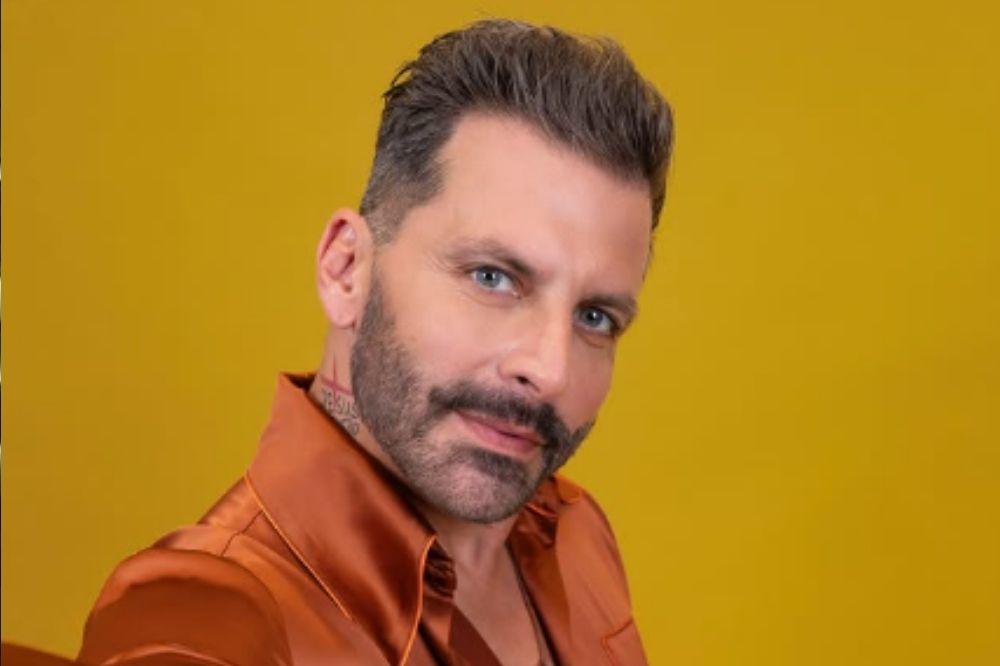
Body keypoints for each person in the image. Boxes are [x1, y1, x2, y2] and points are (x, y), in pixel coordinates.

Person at [78, 19, 673, 666]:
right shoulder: (205, 609)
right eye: (492, 278)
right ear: (347, 271)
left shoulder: (577, 534)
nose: (550, 369)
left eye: (595, 318)